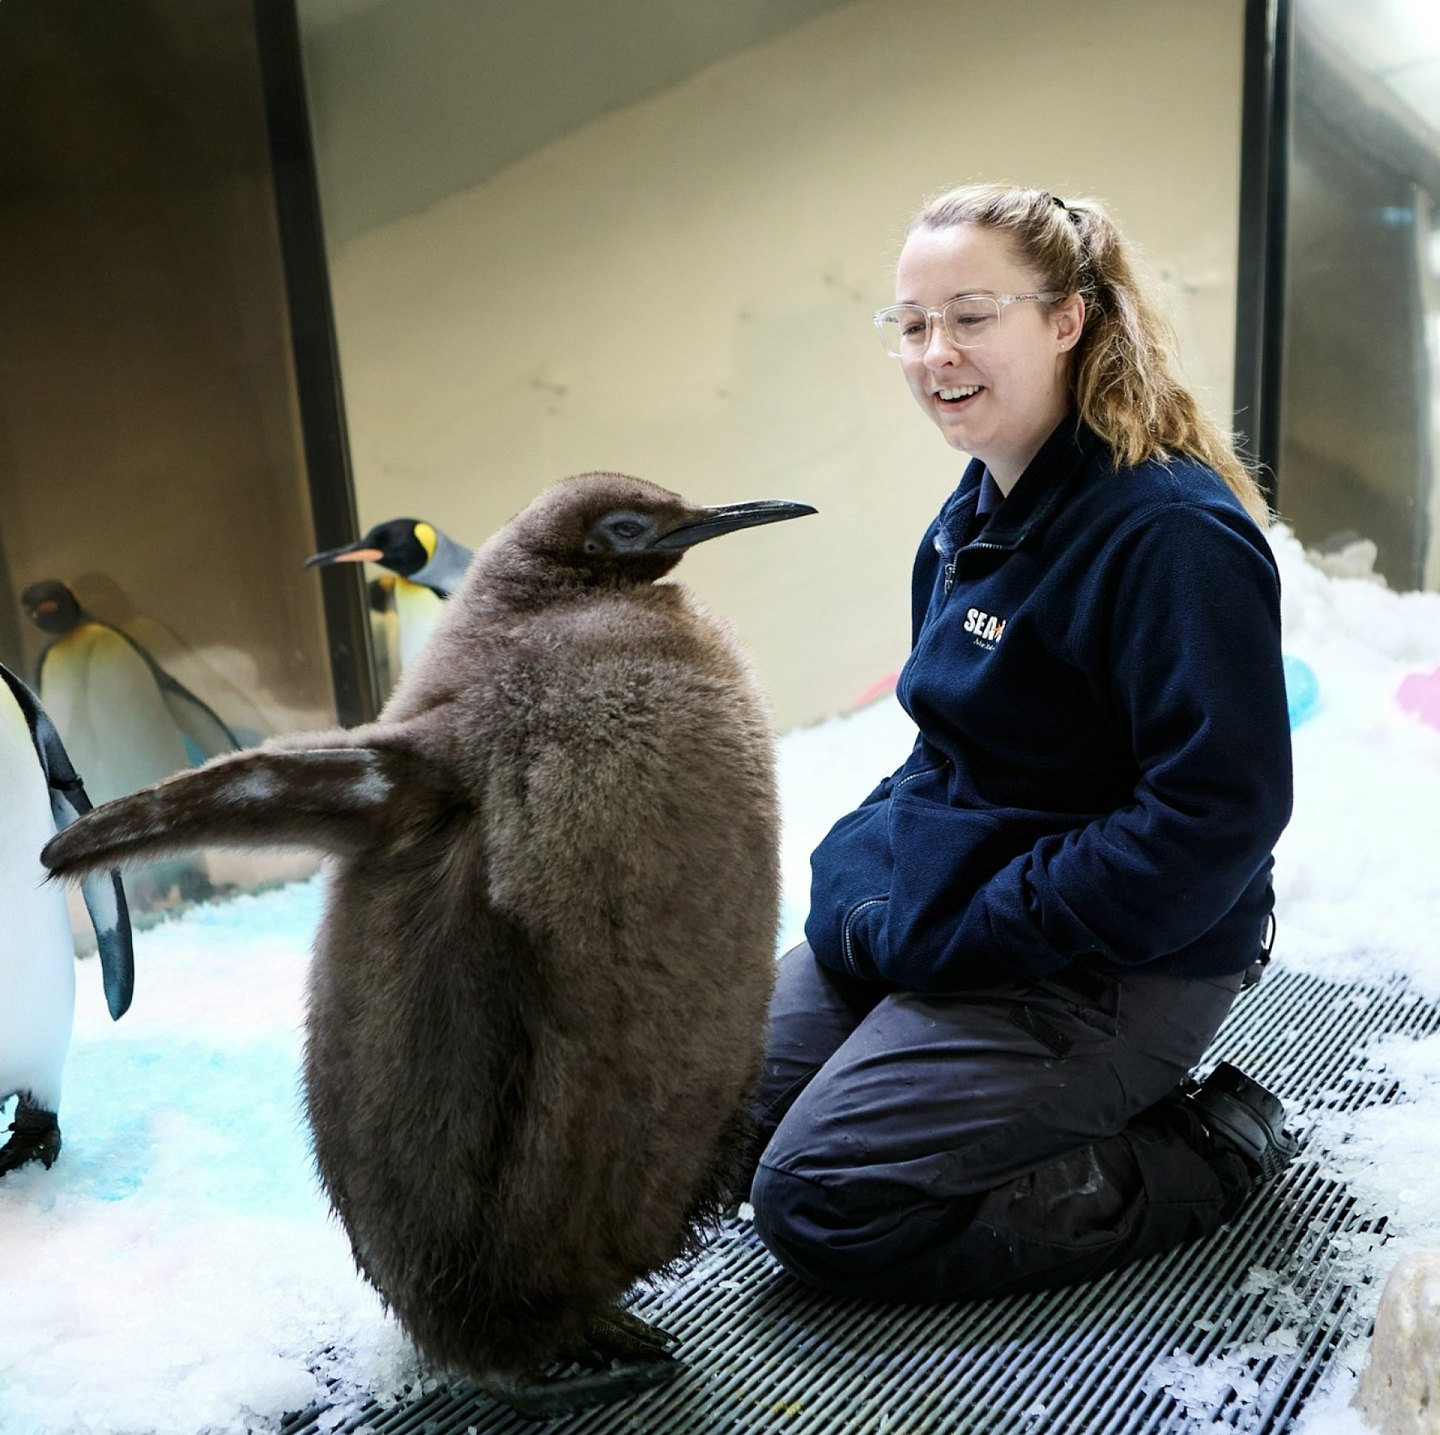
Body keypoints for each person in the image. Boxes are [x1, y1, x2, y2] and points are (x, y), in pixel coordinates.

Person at [745, 183, 1297, 1302]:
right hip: (980, 917)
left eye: (970, 314)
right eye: (911, 323)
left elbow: (1212, 818)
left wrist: (977, 928)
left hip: (1125, 956)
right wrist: (865, 882)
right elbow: (943, 754)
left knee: (823, 1195)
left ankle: (1198, 1151)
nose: (934, 350)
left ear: (1066, 320)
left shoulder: (1170, 536)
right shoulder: (971, 519)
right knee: (697, 1109)